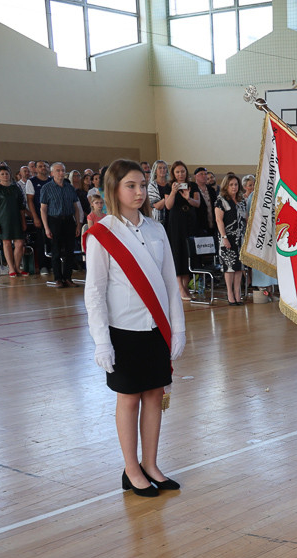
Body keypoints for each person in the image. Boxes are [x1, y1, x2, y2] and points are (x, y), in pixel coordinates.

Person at [84, 158, 186, 498]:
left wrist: (178, 329)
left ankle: (151, 464)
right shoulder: (102, 233)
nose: (139, 191)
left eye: (143, 185)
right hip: (123, 331)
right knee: (129, 400)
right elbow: (95, 293)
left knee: (155, 395)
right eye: (131, 185)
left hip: (156, 327)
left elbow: (171, 283)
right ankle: (131, 469)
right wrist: (101, 342)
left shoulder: (157, 229)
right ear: (113, 189)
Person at [40, 162, 84, 287]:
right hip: (54, 220)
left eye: (63, 170)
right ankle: (58, 278)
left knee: (70, 251)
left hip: (69, 220)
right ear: (52, 173)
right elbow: (43, 209)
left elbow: (76, 207)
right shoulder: (46, 188)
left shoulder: (69, 188)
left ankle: (68, 277)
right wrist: (46, 227)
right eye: (58, 170)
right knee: (56, 251)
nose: (61, 173)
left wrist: (78, 225)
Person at [164, 161, 200, 301]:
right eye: (177, 172)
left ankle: (185, 286)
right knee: (178, 253)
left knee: (188, 253)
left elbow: (197, 204)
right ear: (173, 173)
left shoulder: (193, 186)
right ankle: (180, 288)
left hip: (190, 223)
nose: (180, 174)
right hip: (176, 224)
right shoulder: (169, 187)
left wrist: (188, 198)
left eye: (183, 171)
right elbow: (168, 206)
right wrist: (173, 192)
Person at [214, 172, 247, 305]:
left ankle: (238, 293)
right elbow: (219, 220)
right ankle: (230, 294)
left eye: (236, 184)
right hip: (227, 238)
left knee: (239, 267)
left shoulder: (241, 200)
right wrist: (224, 237)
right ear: (226, 186)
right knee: (229, 267)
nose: (234, 187)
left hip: (241, 238)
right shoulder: (221, 200)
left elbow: (245, 217)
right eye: (231, 185)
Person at [0, 164, 27, 277]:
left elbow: (21, 207)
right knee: (6, 243)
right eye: (2, 174)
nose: (5, 176)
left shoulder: (16, 187)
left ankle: (17, 266)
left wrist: (23, 221)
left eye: (7, 173)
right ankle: (11, 267)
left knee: (20, 243)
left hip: (16, 218)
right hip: (3, 218)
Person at [26, 161, 53, 275]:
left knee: (53, 241)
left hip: (53, 215)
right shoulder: (31, 182)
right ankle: (43, 266)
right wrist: (35, 217)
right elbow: (30, 201)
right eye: (40, 166)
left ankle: (53, 264)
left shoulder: (52, 180)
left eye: (45, 166)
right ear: (36, 169)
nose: (43, 168)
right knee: (41, 241)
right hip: (39, 216)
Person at [146, 160, 171, 224]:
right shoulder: (152, 185)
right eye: (160, 168)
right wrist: (169, 196)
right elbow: (157, 206)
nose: (162, 170)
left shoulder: (171, 184)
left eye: (164, 168)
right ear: (155, 170)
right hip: (159, 218)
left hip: (172, 217)